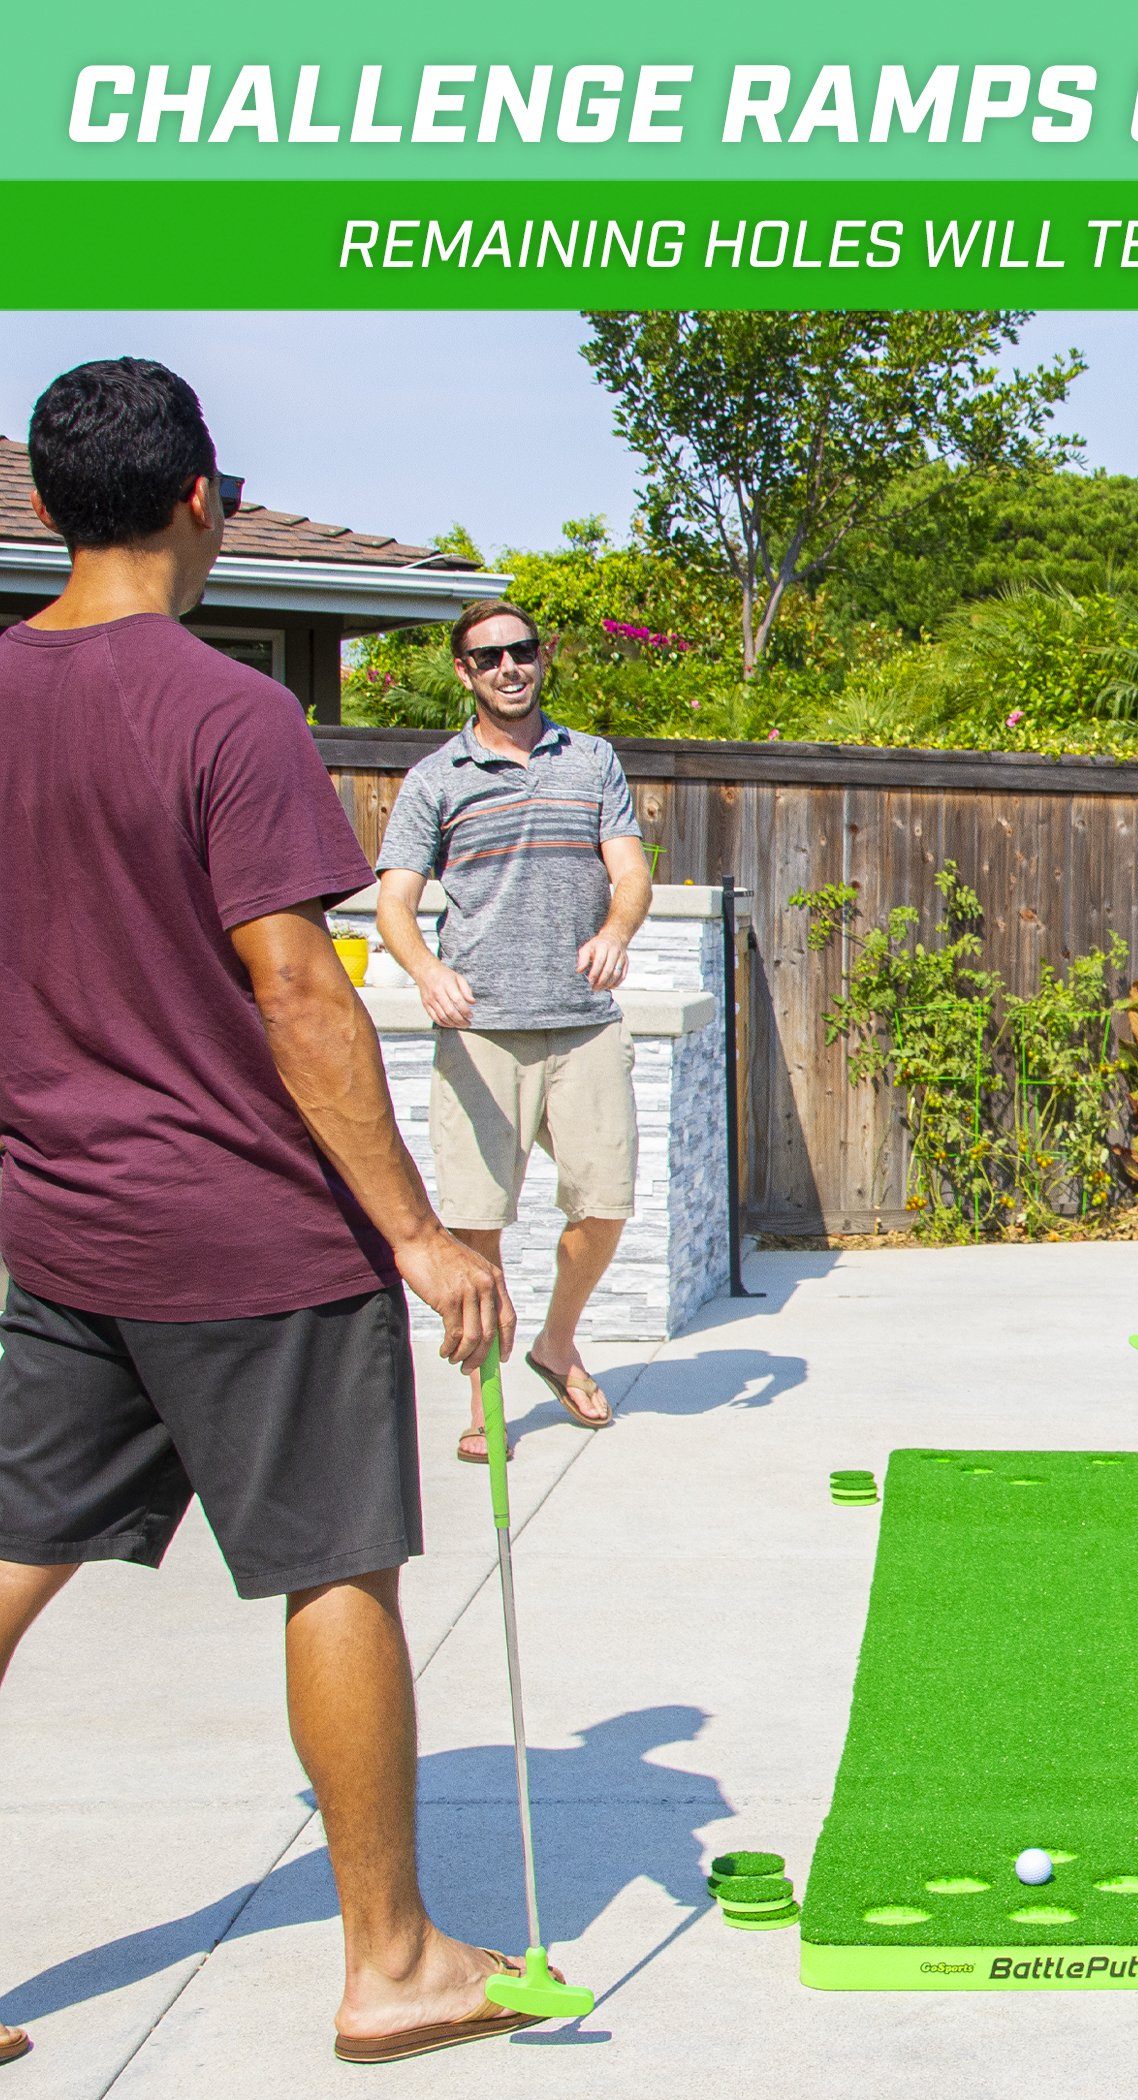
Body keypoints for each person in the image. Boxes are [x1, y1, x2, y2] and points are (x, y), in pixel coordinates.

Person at [0, 358, 533, 2065]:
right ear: (196, 501)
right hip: (244, 1236)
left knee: (11, 1562)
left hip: (58, 1221)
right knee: (336, 1570)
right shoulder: (229, 710)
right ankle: (393, 1964)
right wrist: (419, 1235)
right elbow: (298, 988)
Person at [375, 601, 652, 1462]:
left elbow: (632, 875)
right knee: (476, 1226)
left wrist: (615, 933)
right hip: (481, 1032)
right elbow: (394, 901)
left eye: (521, 651)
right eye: (488, 656)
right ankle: (483, 1399)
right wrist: (427, 972)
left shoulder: (593, 761)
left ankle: (555, 1342)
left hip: (582, 1028)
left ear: (543, 658)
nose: (508, 668)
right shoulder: (436, 779)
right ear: (464, 672)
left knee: (604, 1203)